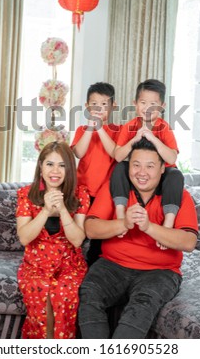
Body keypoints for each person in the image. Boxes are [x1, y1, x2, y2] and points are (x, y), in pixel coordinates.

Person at [78, 137, 198, 339]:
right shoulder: (115, 189)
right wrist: (123, 223)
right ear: (128, 167)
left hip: (159, 272)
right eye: (136, 165)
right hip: (112, 265)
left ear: (162, 168)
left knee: (141, 306)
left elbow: (189, 242)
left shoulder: (179, 195)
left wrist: (149, 227)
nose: (142, 173)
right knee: (89, 293)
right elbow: (90, 229)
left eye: (150, 166)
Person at [16, 141, 90, 339]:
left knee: (62, 293)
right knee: (41, 293)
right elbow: (24, 237)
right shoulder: (26, 194)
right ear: (41, 167)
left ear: (69, 169)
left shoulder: (80, 194)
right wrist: (47, 211)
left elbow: (77, 240)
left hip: (69, 265)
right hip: (36, 265)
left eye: (62, 165)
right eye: (49, 164)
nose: (55, 171)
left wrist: (63, 209)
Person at [111, 79, 184, 247]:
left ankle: (167, 225)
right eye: (143, 102)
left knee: (176, 175)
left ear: (162, 106)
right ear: (135, 104)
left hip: (161, 177)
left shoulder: (164, 128)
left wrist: (152, 138)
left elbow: (172, 159)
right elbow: (118, 156)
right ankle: (121, 216)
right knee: (119, 168)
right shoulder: (129, 126)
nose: (147, 108)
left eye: (153, 104)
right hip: (138, 176)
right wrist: (135, 138)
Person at [71, 82, 122, 264]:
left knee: (98, 241)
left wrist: (100, 128)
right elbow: (78, 153)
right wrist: (91, 128)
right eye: (94, 104)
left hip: (105, 194)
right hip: (83, 191)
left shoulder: (118, 131)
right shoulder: (82, 130)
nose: (99, 108)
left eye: (104, 104)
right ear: (87, 107)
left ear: (113, 106)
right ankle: (73, 267)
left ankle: (93, 269)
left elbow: (115, 153)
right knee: (78, 233)